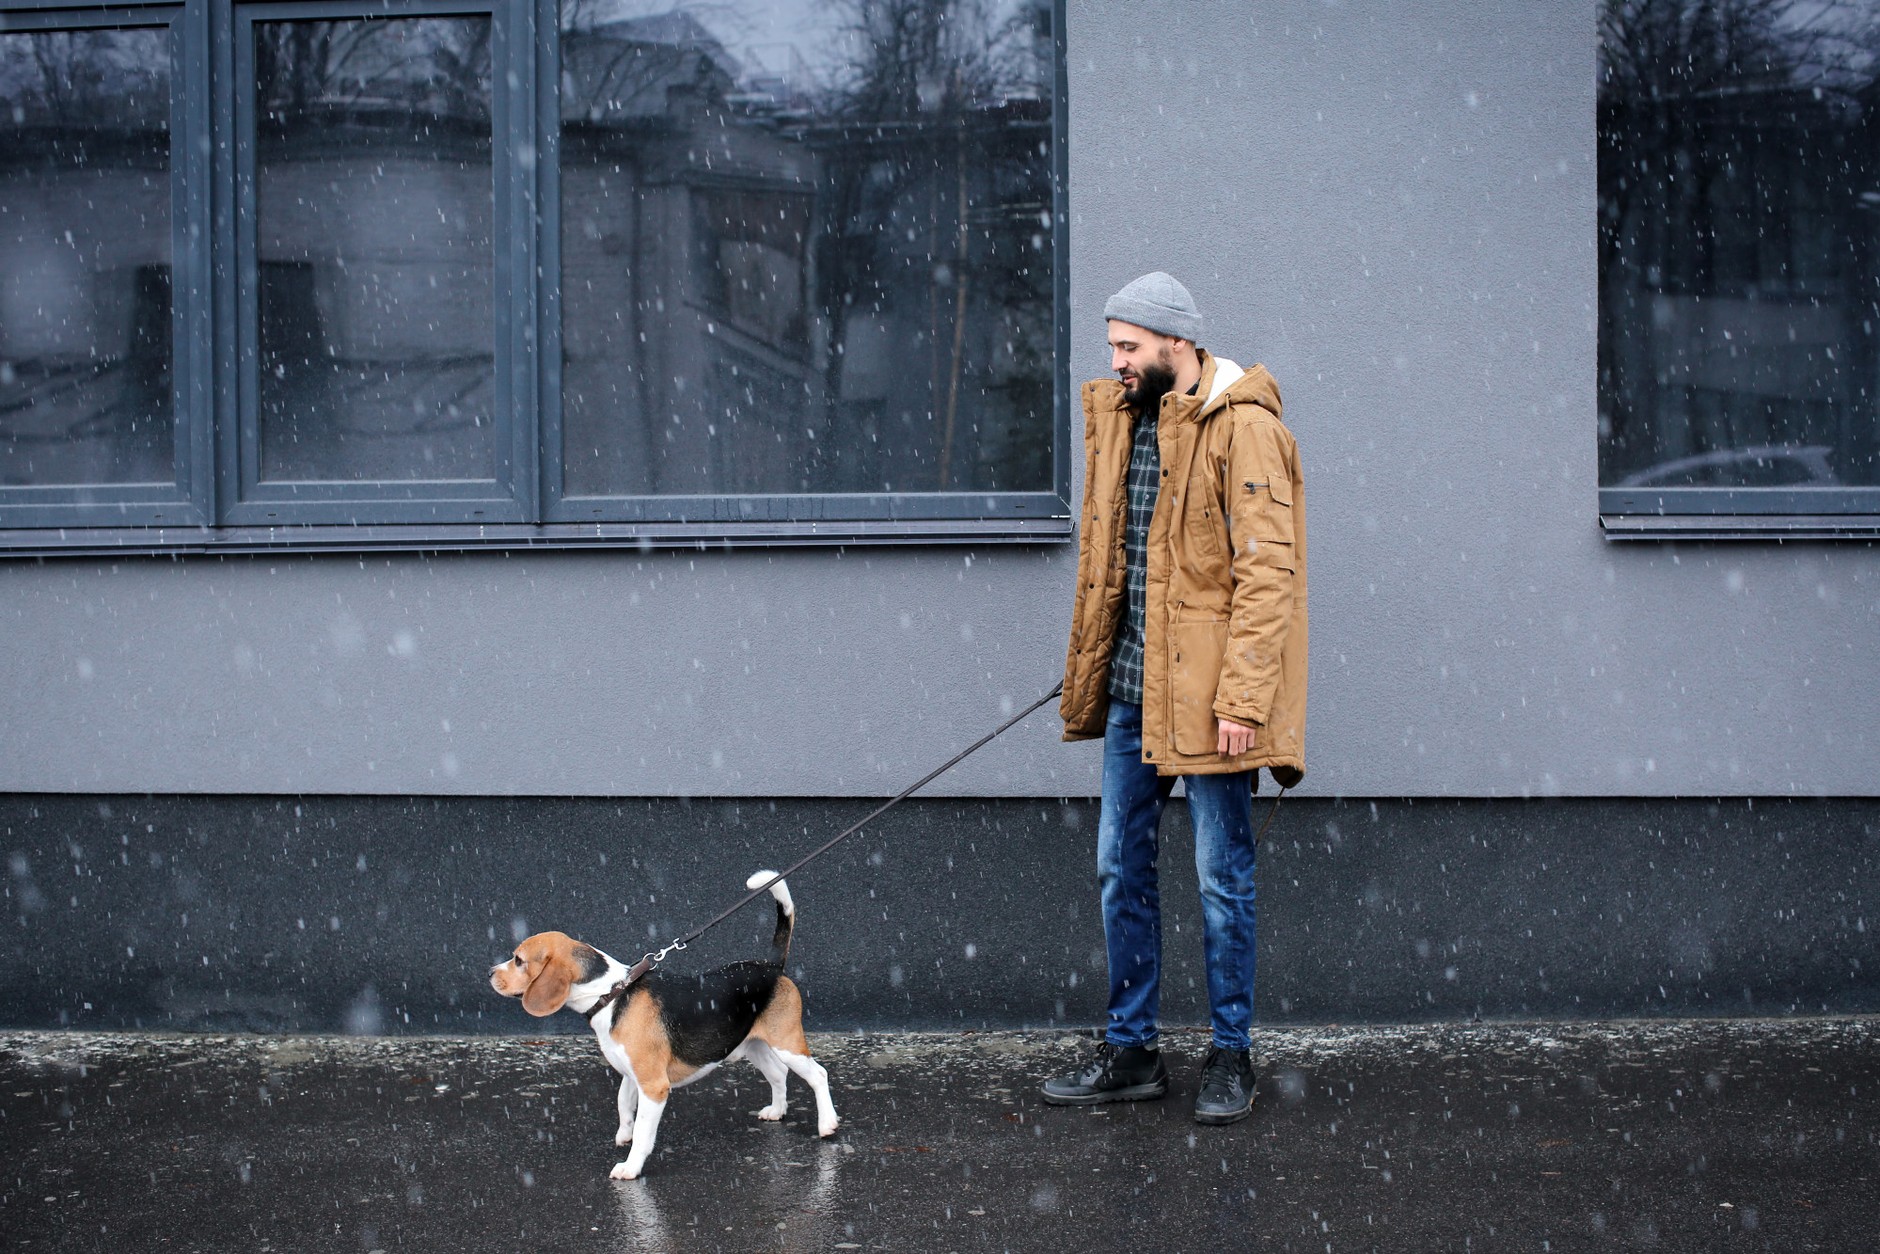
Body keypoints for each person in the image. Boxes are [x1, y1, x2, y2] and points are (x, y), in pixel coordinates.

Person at [1044, 272, 1307, 1125]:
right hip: (1132, 694)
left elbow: (1268, 577)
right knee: (1122, 869)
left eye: (1128, 347)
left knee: (1220, 879)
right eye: (1113, 347)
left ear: (1176, 344)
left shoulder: (1246, 429)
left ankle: (1232, 1055)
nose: (1116, 362)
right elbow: (1118, 561)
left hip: (1212, 706)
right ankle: (1134, 1051)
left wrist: (1243, 698)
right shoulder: (1128, 420)